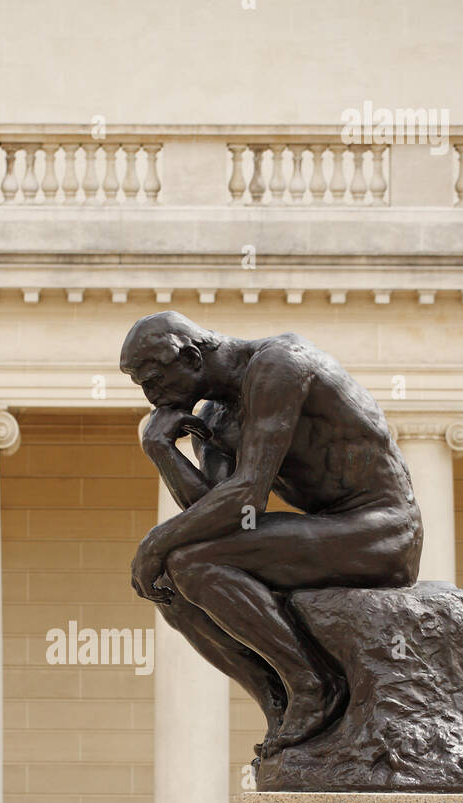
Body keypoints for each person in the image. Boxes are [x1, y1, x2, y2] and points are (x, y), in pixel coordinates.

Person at [120, 311, 423, 754]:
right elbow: (214, 512)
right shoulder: (214, 418)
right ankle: (279, 699)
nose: (151, 398)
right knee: (171, 582)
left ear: (189, 356)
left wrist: (155, 543)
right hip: (330, 529)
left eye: (153, 380)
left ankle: (314, 684)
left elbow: (246, 499)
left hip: (382, 529)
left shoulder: (279, 364)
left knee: (188, 560)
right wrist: (161, 450)